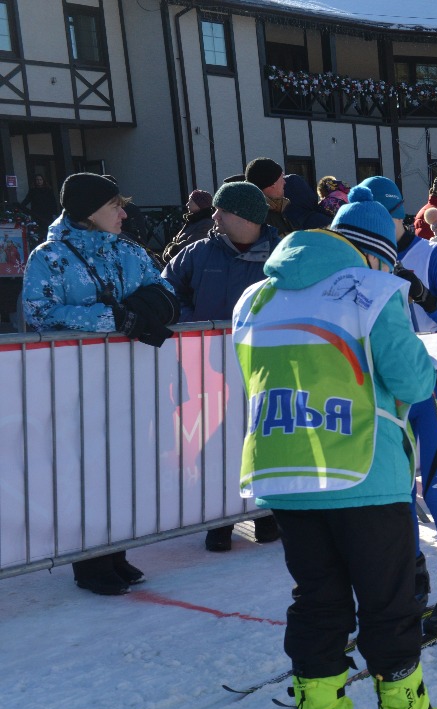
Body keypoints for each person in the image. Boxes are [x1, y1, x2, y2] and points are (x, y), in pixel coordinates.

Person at [232, 189, 437, 709]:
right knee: (388, 599)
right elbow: (414, 381)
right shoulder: (371, 290)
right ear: (374, 251)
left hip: (286, 470)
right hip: (363, 470)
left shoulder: (257, 296)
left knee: (317, 599)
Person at [23, 173, 179, 595]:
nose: (124, 214)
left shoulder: (129, 251)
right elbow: (39, 313)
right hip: (76, 384)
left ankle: (117, 551)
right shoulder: (50, 256)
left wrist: (152, 307)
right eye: (115, 205)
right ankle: (89, 563)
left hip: (131, 379)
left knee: (125, 468)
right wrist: (111, 320)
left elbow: (165, 290)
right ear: (89, 211)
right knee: (86, 472)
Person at [367, 175, 437, 632]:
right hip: (389, 387)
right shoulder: (364, 257)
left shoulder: (431, 255)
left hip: (434, 380)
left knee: (435, 485)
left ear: (395, 216)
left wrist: (423, 295)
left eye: (378, 220)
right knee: (397, 490)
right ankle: (412, 579)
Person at [162, 181, 283, 551]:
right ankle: (219, 521)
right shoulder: (196, 253)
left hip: (265, 365)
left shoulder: (281, 255)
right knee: (214, 441)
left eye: (221, 210)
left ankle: (265, 515)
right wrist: (195, 324)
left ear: (244, 216)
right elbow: (166, 291)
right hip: (207, 366)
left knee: (264, 440)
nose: (213, 216)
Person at [161, 190, 216, 261]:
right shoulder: (193, 221)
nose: (187, 204)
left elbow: (193, 245)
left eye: (191, 201)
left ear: (200, 204)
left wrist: (172, 251)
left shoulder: (206, 224)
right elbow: (177, 240)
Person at [245, 157, 292, 234]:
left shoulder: (275, 209)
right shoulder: (259, 216)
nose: (284, 182)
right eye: (282, 178)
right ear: (273, 183)